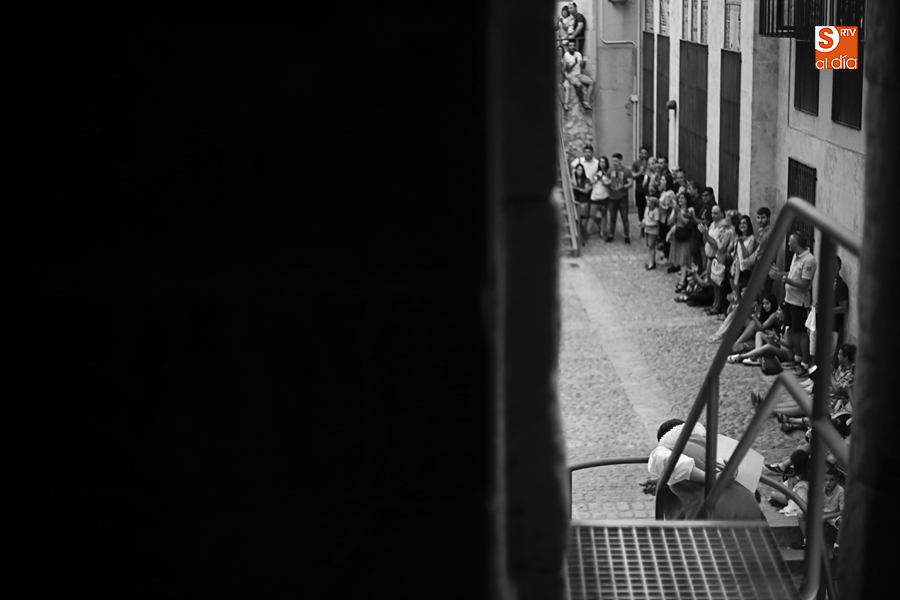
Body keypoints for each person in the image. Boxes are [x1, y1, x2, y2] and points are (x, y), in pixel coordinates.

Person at [638, 419, 764, 521]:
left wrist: (710, 478)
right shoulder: (713, 443)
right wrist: (663, 480)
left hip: (716, 518)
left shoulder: (666, 449)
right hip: (751, 512)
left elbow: (673, 462)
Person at [769, 232, 817, 377]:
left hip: (799, 302)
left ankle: (804, 363)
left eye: (790, 241)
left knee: (801, 332)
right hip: (790, 300)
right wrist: (780, 274)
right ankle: (797, 358)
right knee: (791, 330)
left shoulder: (808, 260)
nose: (788, 244)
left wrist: (784, 278)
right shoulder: (796, 256)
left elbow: (804, 284)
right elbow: (791, 275)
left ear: (796, 243)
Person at [668, 191, 695, 292]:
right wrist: (674, 213)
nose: (680, 200)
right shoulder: (676, 210)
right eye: (679, 198)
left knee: (684, 258)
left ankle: (683, 281)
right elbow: (669, 222)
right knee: (679, 258)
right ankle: (683, 277)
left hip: (686, 236)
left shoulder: (690, 210)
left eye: (682, 198)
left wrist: (679, 212)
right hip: (678, 235)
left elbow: (687, 222)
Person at [604, 152, 633, 244]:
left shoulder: (626, 171)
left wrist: (623, 186)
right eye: (613, 161)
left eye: (616, 161)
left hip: (622, 198)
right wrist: (607, 183)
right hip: (612, 198)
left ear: (620, 160)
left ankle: (626, 236)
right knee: (612, 218)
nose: (614, 163)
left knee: (624, 218)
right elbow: (606, 180)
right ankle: (611, 235)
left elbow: (630, 183)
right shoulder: (610, 170)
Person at [746, 207, 774, 297]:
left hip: (766, 268)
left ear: (768, 218)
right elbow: (758, 249)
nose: (760, 220)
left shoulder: (770, 233)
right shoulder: (760, 231)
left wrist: (753, 260)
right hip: (757, 267)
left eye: (762, 217)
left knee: (763, 293)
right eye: (758, 217)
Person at [562, 40, 593, 111]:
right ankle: (582, 102)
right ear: (568, 47)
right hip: (570, 76)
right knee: (579, 85)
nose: (572, 47)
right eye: (570, 45)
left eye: (573, 45)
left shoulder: (578, 54)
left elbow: (582, 66)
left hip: (579, 74)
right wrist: (574, 63)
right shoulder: (566, 55)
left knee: (591, 82)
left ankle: (587, 101)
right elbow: (567, 69)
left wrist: (584, 61)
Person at [730, 214, 756, 296]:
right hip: (735, 268)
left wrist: (741, 243)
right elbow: (732, 252)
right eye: (740, 223)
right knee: (735, 291)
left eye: (744, 223)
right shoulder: (738, 236)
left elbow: (747, 255)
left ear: (748, 225)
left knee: (742, 291)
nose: (742, 225)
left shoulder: (752, 238)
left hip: (744, 269)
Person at [588, 156, 611, 241]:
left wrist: (603, 180)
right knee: (591, 215)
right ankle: (588, 231)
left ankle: (602, 231)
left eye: (604, 162)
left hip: (604, 196)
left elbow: (611, 185)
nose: (602, 164)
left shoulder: (609, 173)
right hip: (595, 196)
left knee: (604, 215)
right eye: (600, 162)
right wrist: (597, 178)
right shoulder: (596, 172)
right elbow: (591, 182)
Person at [571, 163, 592, 241]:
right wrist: (573, 173)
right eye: (578, 169)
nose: (580, 171)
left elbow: (586, 191)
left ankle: (584, 237)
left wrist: (577, 189)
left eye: (581, 170)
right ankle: (580, 238)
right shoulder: (573, 178)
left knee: (583, 222)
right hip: (576, 202)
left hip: (584, 202)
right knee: (577, 222)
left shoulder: (586, 180)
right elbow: (574, 184)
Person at [633, 146, 650, 237]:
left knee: (649, 210)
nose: (643, 155)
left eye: (645, 153)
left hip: (648, 191)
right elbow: (633, 176)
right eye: (642, 153)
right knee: (640, 210)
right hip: (639, 190)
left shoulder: (650, 163)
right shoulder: (636, 163)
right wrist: (640, 172)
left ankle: (649, 229)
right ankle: (642, 229)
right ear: (639, 154)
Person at [643, 195, 661, 270]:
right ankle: (651, 260)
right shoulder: (647, 208)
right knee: (649, 246)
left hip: (653, 230)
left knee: (652, 246)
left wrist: (650, 219)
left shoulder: (656, 210)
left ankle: (652, 263)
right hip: (646, 229)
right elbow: (645, 218)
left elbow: (657, 221)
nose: (647, 202)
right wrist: (643, 222)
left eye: (648, 201)